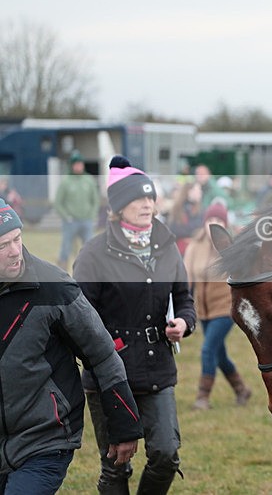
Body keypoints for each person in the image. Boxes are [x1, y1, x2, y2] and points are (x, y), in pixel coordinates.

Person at [0, 198, 142, 494]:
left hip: (43, 440)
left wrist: (124, 425)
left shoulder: (55, 287)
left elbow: (102, 354)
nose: (15, 252)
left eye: (17, 239)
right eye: (3, 246)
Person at [73, 155, 197, 495]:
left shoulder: (168, 247)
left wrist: (184, 322)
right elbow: (79, 318)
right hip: (109, 376)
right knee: (115, 464)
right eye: (137, 199)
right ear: (118, 207)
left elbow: (185, 298)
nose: (147, 204)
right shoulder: (94, 253)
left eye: (150, 197)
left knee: (166, 455)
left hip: (157, 370)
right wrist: (107, 352)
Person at [183, 200, 251, 410]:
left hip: (225, 307)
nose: (213, 224)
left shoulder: (230, 246)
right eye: (210, 219)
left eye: (218, 220)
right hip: (202, 310)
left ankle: (202, 397)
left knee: (207, 349)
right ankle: (241, 390)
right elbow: (186, 276)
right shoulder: (195, 245)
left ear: (225, 223)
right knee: (218, 353)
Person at [54, 150, 100, 271]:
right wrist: (66, 216)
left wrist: (92, 214)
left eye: (80, 164)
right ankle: (62, 274)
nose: (78, 166)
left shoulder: (89, 180)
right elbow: (58, 203)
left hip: (86, 221)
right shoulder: (65, 182)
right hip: (70, 222)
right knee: (66, 248)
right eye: (76, 164)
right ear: (72, 165)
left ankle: (89, 272)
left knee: (89, 248)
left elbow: (95, 200)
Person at [167, 181, 205, 255]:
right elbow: (174, 229)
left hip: (195, 250)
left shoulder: (201, 210)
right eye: (197, 190)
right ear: (189, 191)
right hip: (179, 250)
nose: (200, 193)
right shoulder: (178, 209)